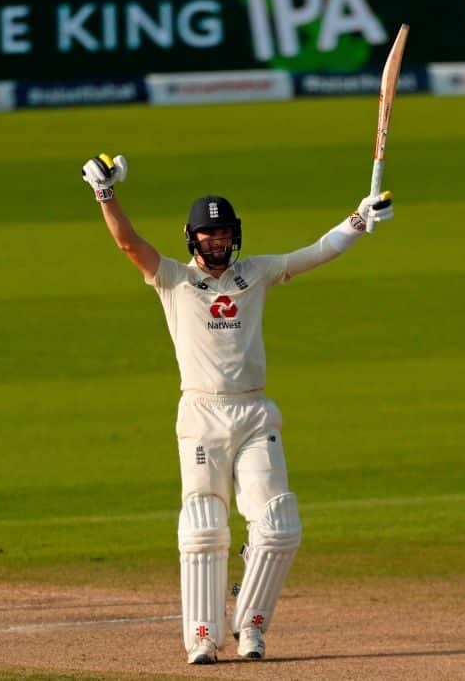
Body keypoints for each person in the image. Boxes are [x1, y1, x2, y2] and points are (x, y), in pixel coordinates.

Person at [81, 152, 394, 664]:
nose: (219, 242)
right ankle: (203, 637)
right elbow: (127, 243)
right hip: (203, 416)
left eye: (225, 234)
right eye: (210, 235)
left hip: (253, 415)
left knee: (280, 525)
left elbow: (315, 252)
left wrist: (358, 221)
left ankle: (251, 628)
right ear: (192, 238)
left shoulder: (257, 274)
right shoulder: (173, 279)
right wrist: (105, 192)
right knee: (205, 526)